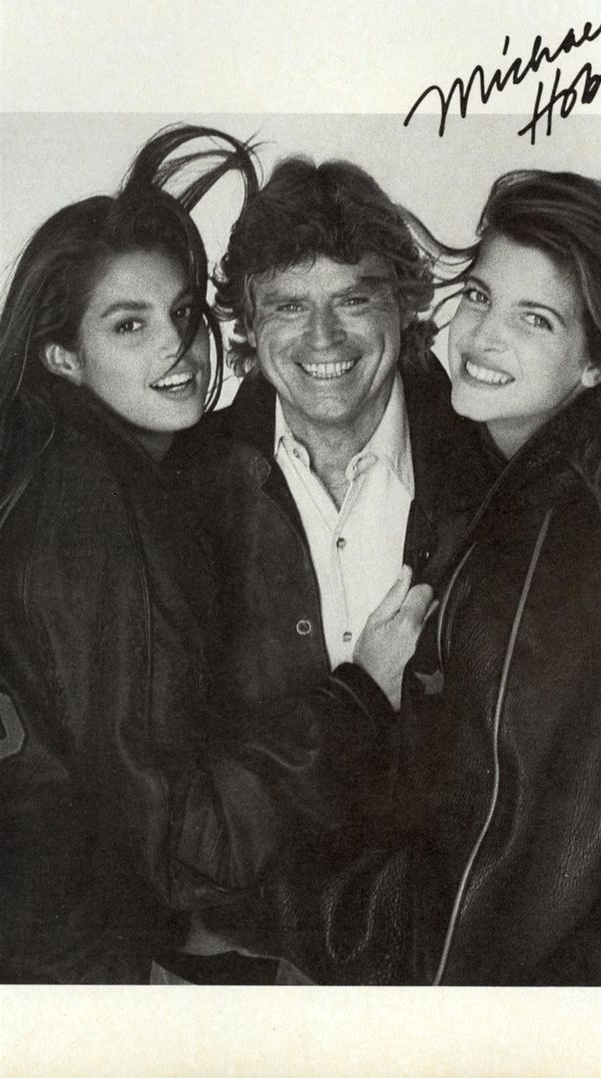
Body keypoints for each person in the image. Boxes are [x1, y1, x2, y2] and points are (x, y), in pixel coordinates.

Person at [0, 125, 428, 984]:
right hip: (25, 988)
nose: (176, 346)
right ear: (63, 355)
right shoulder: (91, 518)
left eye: (182, 314)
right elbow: (185, 849)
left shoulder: (5, 477)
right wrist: (360, 695)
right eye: (128, 325)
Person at [249, 167, 601, 985]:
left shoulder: (562, 545)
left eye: (535, 319)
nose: (483, 338)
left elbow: (474, 918)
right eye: (482, 298)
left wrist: (256, 904)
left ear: (599, 361)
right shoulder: (570, 489)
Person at [177, 155, 490, 766]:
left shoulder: (492, 473)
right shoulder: (186, 486)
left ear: (404, 305)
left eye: (353, 300)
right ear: (250, 324)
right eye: (289, 307)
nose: (323, 337)